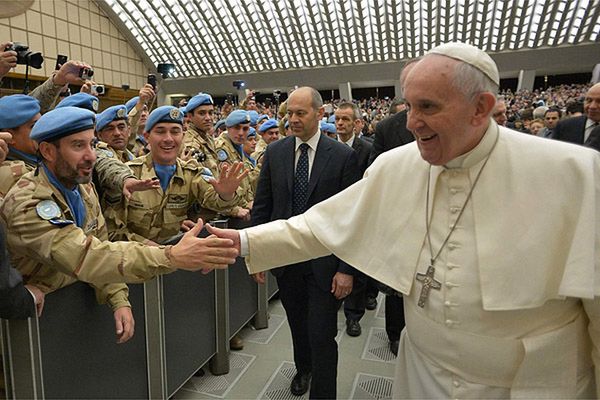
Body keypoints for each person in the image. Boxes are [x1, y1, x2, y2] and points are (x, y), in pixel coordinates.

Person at [208, 43, 600, 399]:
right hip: (424, 375)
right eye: (409, 106)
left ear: (481, 107)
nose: (411, 122)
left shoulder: (575, 174)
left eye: (428, 107)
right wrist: (240, 243)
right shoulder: (398, 165)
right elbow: (320, 225)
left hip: (529, 386)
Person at [1, 107, 239, 290]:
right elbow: (89, 256)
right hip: (33, 322)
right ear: (48, 151)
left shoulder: (83, 188)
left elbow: (103, 243)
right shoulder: (30, 202)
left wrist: (117, 299)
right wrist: (170, 256)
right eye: (77, 146)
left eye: (92, 145)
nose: (91, 156)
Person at [249, 87, 361, 398]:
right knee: (298, 325)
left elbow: (352, 217)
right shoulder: (275, 153)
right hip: (287, 264)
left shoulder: (342, 157)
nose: (292, 120)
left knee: (322, 334)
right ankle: (304, 369)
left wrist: (346, 269)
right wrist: (258, 256)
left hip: (325, 266)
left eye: (301, 113)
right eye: (289, 114)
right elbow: (263, 208)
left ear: (319, 114)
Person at [106, 105, 247, 244]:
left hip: (176, 258)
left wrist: (226, 194)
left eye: (175, 132)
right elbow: (114, 231)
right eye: (160, 132)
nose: (168, 139)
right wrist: (154, 250)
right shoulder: (129, 174)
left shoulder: (191, 172)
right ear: (147, 136)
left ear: (183, 136)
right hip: (136, 259)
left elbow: (213, 200)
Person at [334, 101, 373, 337]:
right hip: (334, 215)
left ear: (357, 123)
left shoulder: (367, 149)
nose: (339, 123)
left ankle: (353, 316)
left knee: (354, 267)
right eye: (337, 118)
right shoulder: (326, 148)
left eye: (345, 119)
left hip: (358, 214)